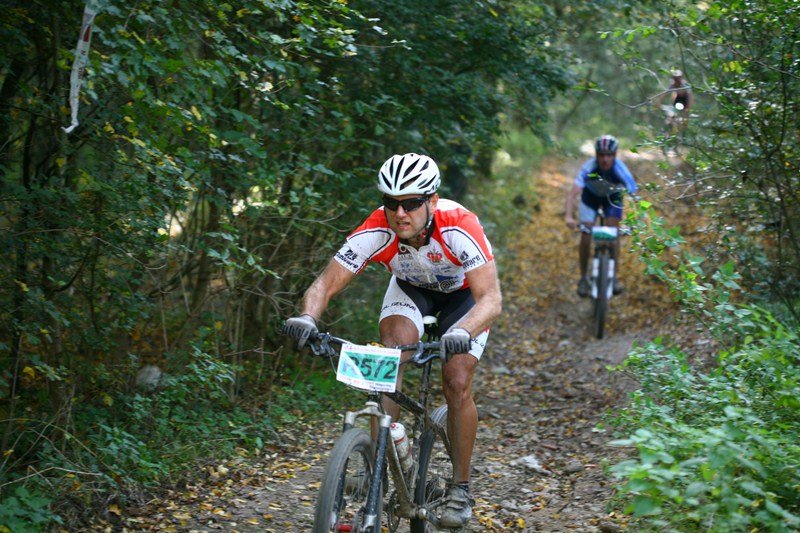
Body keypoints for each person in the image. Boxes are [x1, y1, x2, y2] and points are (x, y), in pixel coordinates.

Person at [283, 153, 502, 528]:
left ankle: (460, 487)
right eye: (391, 203)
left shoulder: (458, 226)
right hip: (411, 291)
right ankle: (377, 462)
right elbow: (325, 283)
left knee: (457, 379)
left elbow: (491, 299)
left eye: (412, 203)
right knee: (390, 355)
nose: (400, 213)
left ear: (432, 201)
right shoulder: (378, 229)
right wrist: (307, 317)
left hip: (464, 300)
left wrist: (462, 332)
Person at [564, 135, 637, 297]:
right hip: (590, 199)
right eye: (601, 154)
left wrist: (636, 220)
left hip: (612, 200)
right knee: (585, 235)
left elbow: (634, 196)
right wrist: (569, 216)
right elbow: (573, 194)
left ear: (615, 155)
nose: (605, 159)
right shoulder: (589, 167)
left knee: (613, 233)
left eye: (609, 155)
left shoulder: (620, 169)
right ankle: (583, 278)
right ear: (596, 154)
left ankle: (614, 277)